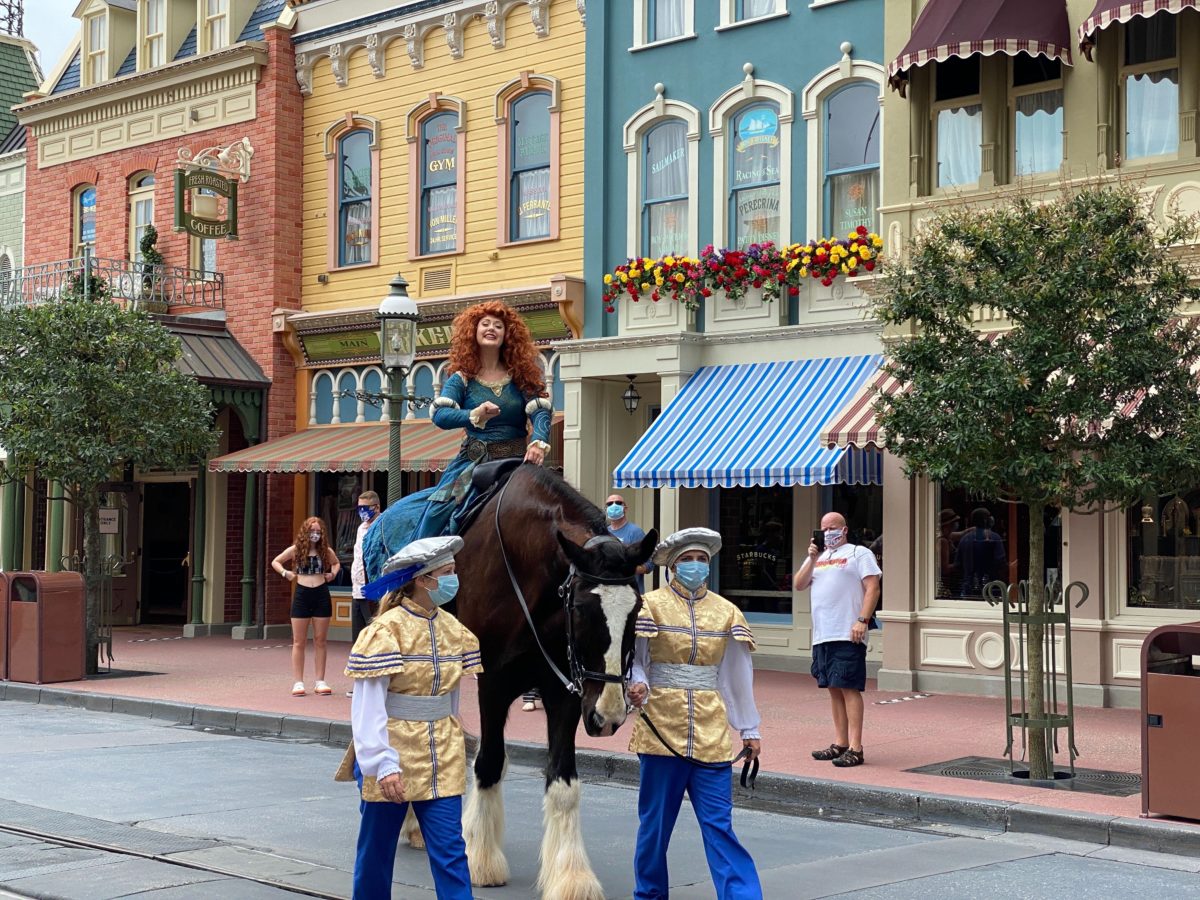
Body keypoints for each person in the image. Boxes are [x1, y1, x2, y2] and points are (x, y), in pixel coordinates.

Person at [362, 301, 553, 582]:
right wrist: (473, 414)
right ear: (473, 332)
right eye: (485, 324)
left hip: (515, 461)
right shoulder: (462, 378)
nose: (491, 329)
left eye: (498, 326)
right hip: (472, 464)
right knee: (440, 508)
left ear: (507, 335)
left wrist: (538, 442)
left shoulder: (521, 377)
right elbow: (440, 415)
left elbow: (541, 411)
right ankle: (414, 572)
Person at [335, 535, 480, 900]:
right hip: (393, 753)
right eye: (447, 572)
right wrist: (382, 763)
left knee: (451, 850)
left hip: (443, 753)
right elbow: (367, 705)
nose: (453, 580)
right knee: (377, 853)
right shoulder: (385, 630)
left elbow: (452, 697)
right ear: (423, 579)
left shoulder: (454, 629)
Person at [626, 527, 763, 900]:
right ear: (671, 566)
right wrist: (636, 684)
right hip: (660, 730)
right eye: (687, 559)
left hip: (710, 731)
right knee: (655, 827)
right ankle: (650, 894)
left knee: (719, 824)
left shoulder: (726, 611)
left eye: (701, 559)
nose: (695, 566)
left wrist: (749, 728)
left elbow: (736, 675)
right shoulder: (649, 606)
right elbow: (636, 661)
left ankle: (742, 896)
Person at [793, 512, 881, 768]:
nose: (828, 532)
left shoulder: (858, 553)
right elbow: (799, 584)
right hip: (823, 633)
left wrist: (862, 620)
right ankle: (840, 742)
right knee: (833, 688)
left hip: (848, 631)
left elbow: (873, 587)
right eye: (823, 528)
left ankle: (856, 747)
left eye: (832, 527)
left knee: (849, 687)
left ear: (844, 529)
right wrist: (811, 558)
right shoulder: (817, 557)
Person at [272, 516, 341, 697]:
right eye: (312, 531)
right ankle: (298, 682)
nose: (315, 535)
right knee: (298, 641)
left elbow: (336, 563)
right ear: (305, 532)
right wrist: (285, 573)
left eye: (318, 532)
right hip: (302, 594)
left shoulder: (325, 550)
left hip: (321, 594)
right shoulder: (296, 550)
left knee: (320, 640)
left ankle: (320, 680)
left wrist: (332, 574)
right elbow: (276, 561)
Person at [348, 490, 383, 697]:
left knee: (374, 637)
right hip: (356, 588)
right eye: (359, 509)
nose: (361, 513)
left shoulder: (382, 524)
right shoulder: (361, 527)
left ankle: (375, 681)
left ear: (375, 507)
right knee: (358, 638)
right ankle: (359, 682)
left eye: (365, 509)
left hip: (372, 590)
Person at [605, 493, 654, 593]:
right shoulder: (603, 533)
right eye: (609, 504)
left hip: (631, 593)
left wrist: (629, 569)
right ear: (606, 509)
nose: (613, 505)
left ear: (625, 509)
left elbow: (650, 563)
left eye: (618, 503)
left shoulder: (635, 532)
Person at [955, 507, 1007, 598]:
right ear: (986, 520)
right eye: (989, 516)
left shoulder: (964, 539)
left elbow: (958, 564)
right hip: (990, 589)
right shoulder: (994, 537)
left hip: (968, 589)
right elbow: (1000, 562)